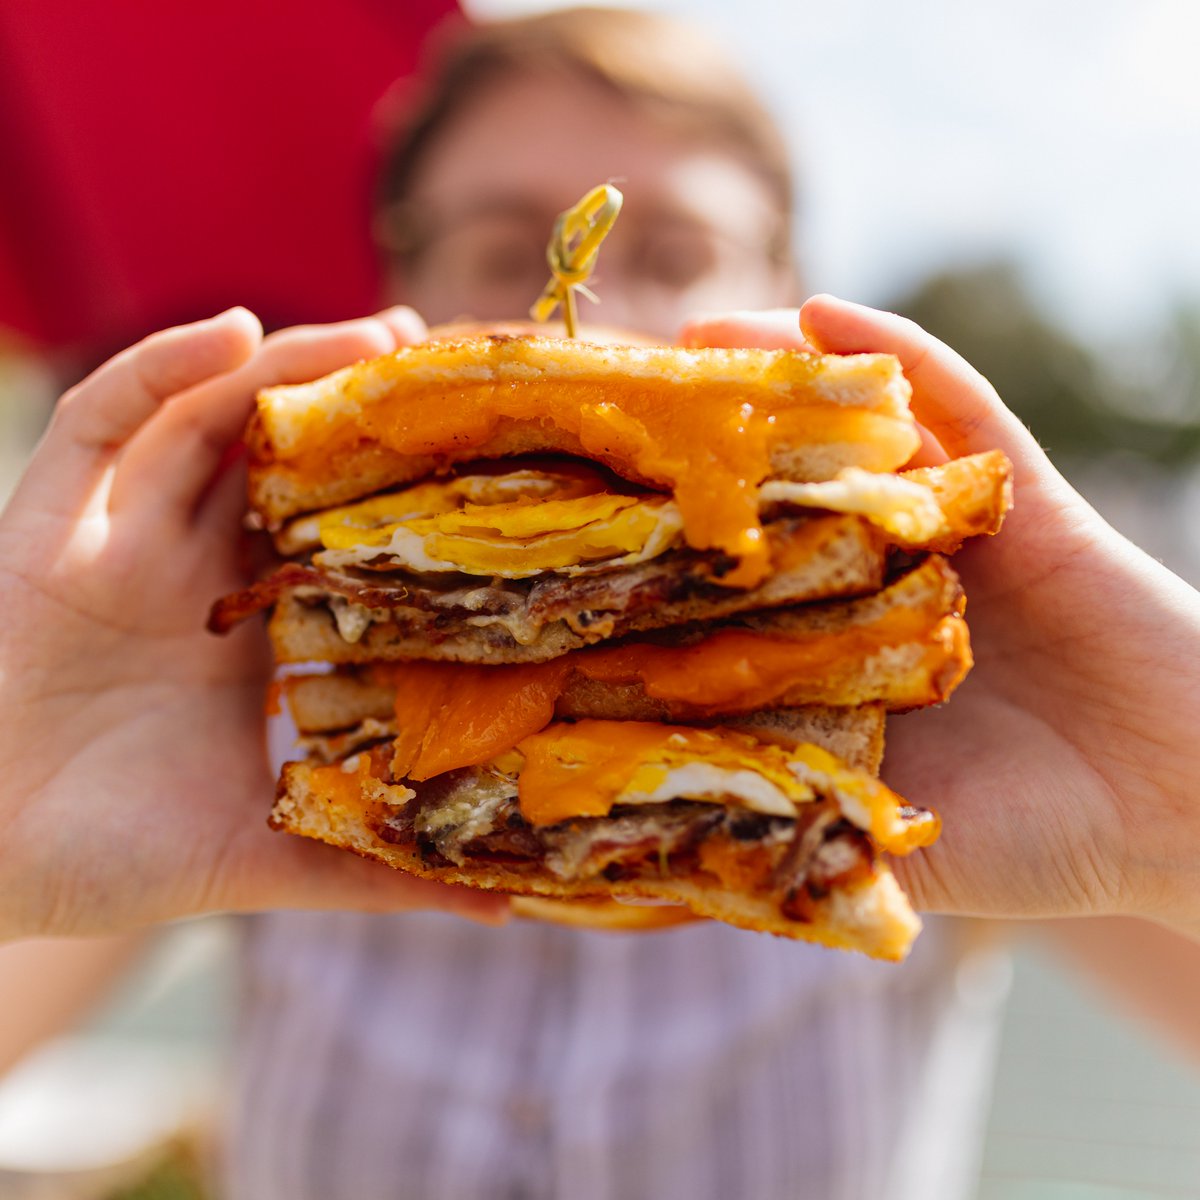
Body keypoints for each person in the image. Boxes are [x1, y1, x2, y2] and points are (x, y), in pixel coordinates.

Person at [0, 8, 1197, 1198]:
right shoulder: (259, 722)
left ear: (779, 288)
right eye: (496, 247)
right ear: (402, 285)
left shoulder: (951, 733)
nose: (593, 303)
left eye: (676, 251)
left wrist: (1172, 784)